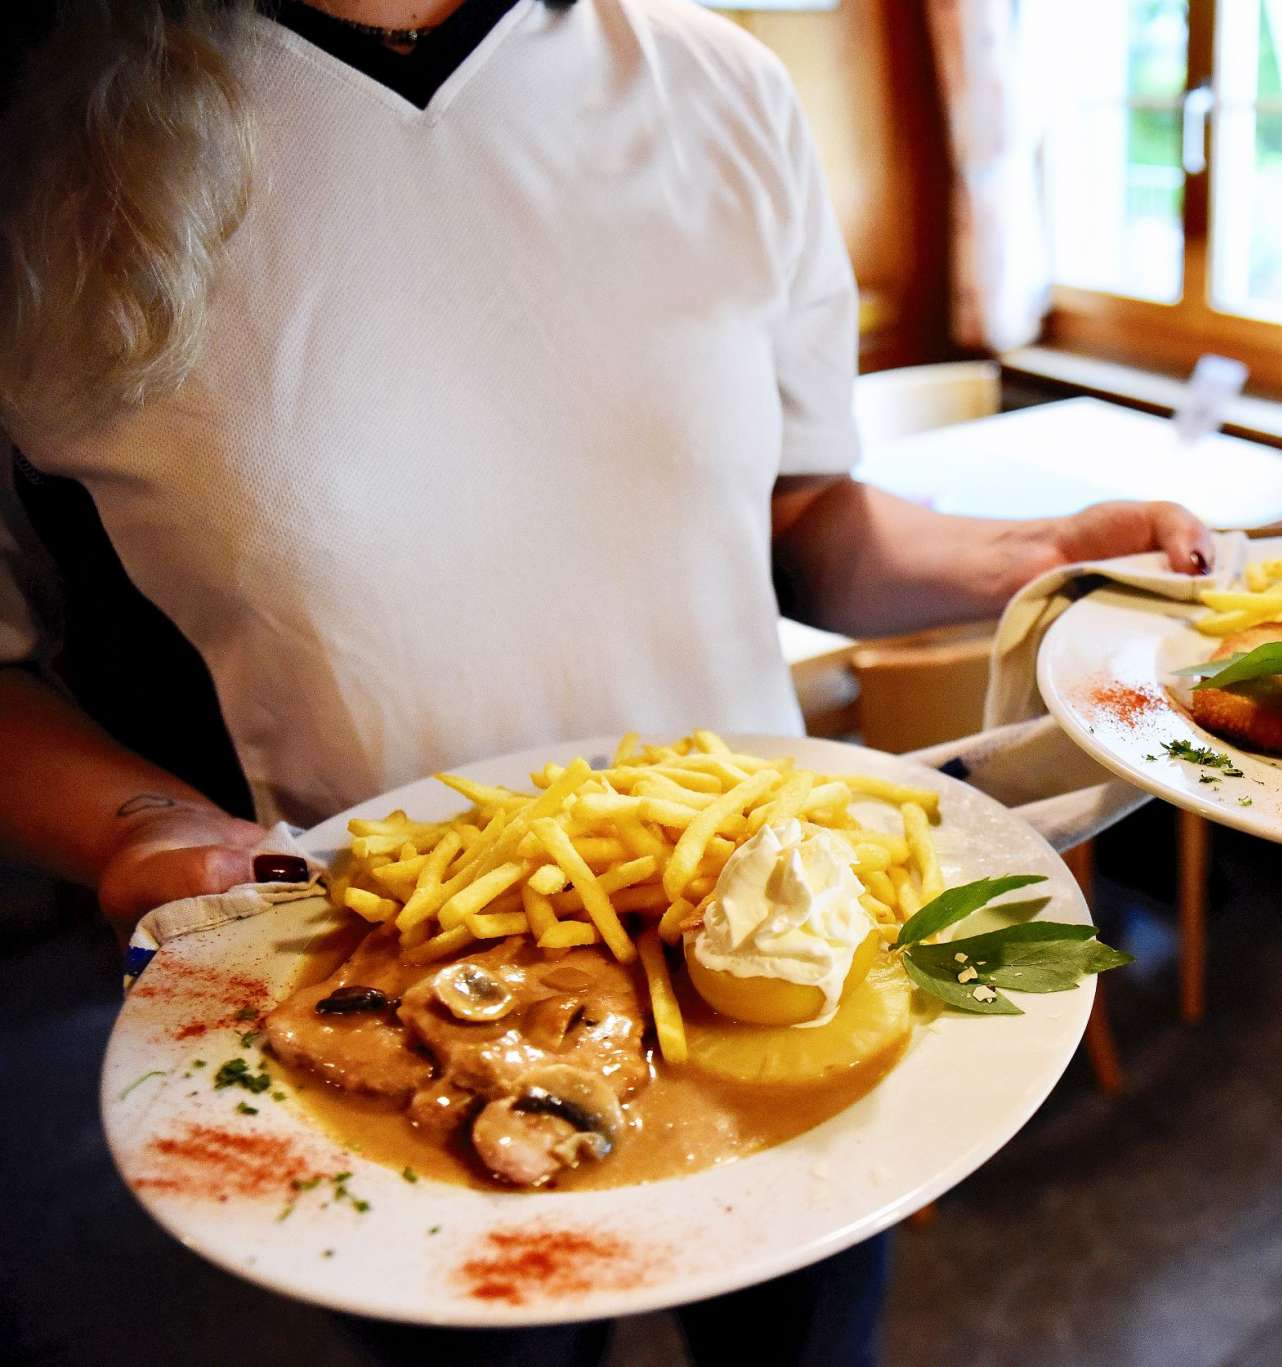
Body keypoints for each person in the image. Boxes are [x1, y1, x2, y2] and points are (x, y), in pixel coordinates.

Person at [0, 2, 1212, 1363]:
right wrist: (140, 826)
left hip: (784, 933)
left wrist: (1042, 555)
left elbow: (803, 526)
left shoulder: (718, 83)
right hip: (388, 981)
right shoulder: (42, 141)